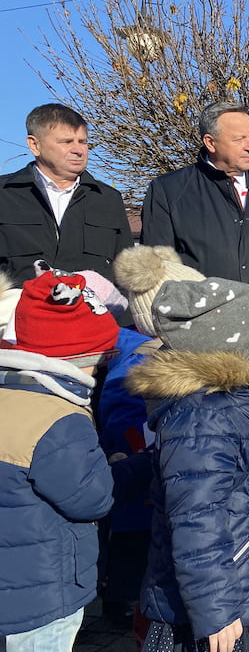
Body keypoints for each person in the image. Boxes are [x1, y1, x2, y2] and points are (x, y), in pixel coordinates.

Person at [127, 277, 249, 652]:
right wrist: (215, 611)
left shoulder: (242, 401)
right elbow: (196, 521)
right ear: (243, 349)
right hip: (223, 598)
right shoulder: (202, 418)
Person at [0, 270, 118, 650]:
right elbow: (92, 499)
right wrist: (125, 467)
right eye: (100, 360)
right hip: (42, 595)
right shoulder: (60, 419)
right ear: (75, 359)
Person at [141, 101, 249, 314]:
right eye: (239, 139)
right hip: (201, 326)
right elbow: (157, 274)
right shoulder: (169, 191)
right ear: (210, 142)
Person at [0, 103, 133, 282]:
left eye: (83, 142)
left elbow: (126, 273)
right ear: (34, 145)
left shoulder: (108, 199)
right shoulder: (5, 194)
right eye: (66, 142)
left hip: (92, 300)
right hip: (19, 299)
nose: (78, 150)